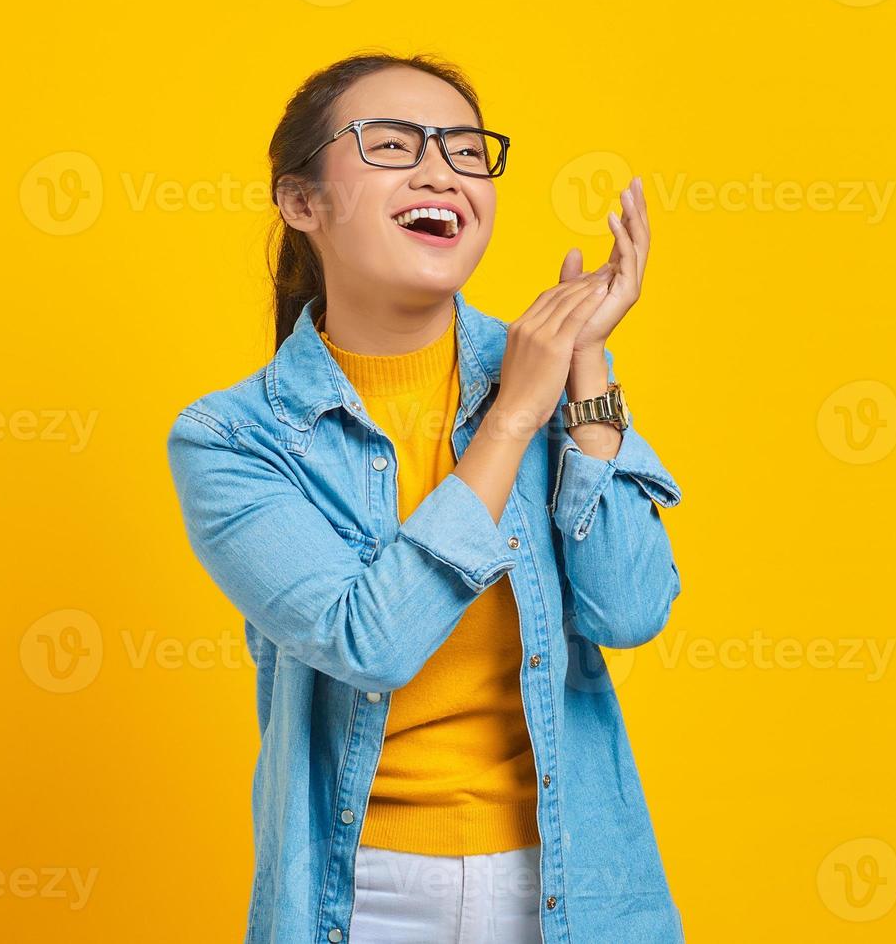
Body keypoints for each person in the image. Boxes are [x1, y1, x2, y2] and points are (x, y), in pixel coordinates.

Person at [165, 51, 686, 944]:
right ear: (301, 204)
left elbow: (630, 609)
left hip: (569, 879)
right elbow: (370, 642)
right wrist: (517, 416)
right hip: (357, 894)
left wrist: (586, 368)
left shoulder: (548, 367)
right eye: (393, 145)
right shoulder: (233, 438)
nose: (441, 170)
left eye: (465, 150)